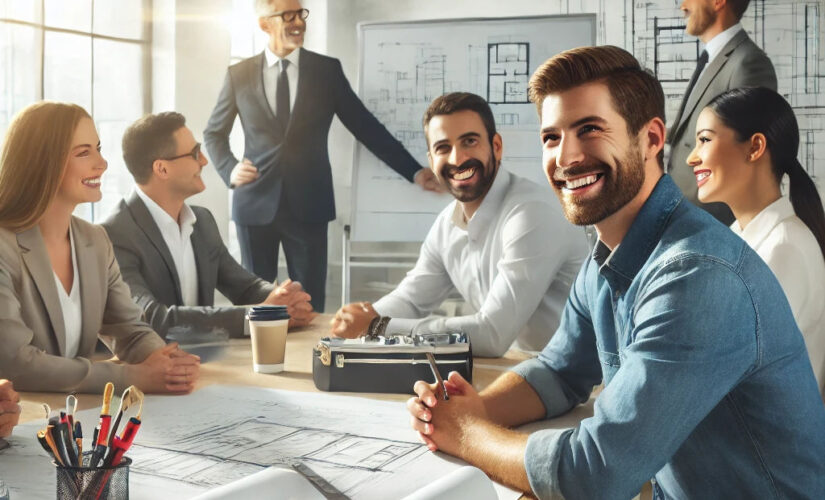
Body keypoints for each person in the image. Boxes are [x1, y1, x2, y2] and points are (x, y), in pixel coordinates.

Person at [406, 46, 825, 499]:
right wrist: (472, 410)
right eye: (551, 137)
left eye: (589, 129)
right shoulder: (605, 256)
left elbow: (596, 475)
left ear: (650, 139)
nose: (565, 157)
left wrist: (468, 435)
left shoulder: (696, 275)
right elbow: (560, 372)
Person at [204, 0, 443, 312]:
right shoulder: (239, 74)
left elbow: (365, 126)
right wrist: (230, 169)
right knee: (257, 302)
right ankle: (260, 361)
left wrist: (414, 171)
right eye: (287, 15)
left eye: (301, 14)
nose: (299, 23)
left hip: (309, 205)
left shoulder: (326, 71)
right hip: (254, 203)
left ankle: (310, 361)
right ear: (264, 24)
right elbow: (213, 133)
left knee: (310, 302)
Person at [329, 93, 587, 357]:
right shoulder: (447, 224)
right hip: (519, 372)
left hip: (581, 386)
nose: (457, 158)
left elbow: (492, 334)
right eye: (443, 148)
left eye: (470, 141)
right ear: (431, 160)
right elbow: (410, 299)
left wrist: (378, 327)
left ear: (496, 146)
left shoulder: (532, 213)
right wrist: (360, 319)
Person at [0, 102, 200, 394]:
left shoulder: (95, 240)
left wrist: (166, 361)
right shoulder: (4, 247)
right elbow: (15, 363)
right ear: (42, 162)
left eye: (98, 148)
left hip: (74, 416)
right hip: (20, 421)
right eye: (84, 152)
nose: (102, 163)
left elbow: (129, 330)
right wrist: (131, 378)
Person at [102, 112, 315, 341]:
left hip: (206, 361)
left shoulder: (202, 221)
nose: (204, 160)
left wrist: (282, 297)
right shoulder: (114, 234)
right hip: (153, 370)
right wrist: (258, 316)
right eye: (194, 153)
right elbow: (151, 318)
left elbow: (245, 287)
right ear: (162, 169)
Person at [688, 87, 825, 397]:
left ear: (755, 147)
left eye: (705, 140)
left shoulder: (783, 249)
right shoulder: (739, 237)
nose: (691, 158)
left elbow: (732, 373)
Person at [667, 0, 776, 224]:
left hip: (712, 221)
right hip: (685, 213)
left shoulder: (749, 64)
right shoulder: (711, 59)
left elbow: (747, 158)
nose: (683, 6)